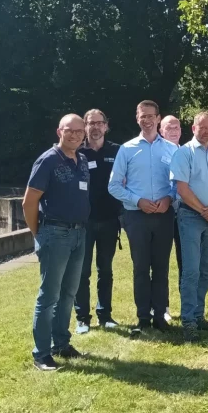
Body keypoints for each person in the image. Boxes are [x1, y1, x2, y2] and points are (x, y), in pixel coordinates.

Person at [22, 114, 90, 371]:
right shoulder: (48, 160)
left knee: (68, 294)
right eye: (69, 130)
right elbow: (29, 202)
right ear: (59, 131)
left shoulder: (81, 160)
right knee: (49, 296)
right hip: (55, 234)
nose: (75, 135)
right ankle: (41, 353)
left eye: (79, 131)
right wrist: (38, 233)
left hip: (78, 234)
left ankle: (61, 343)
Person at [108, 100, 177, 336]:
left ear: (158, 118)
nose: (147, 120)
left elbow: (178, 184)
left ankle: (160, 316)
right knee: (140, 268)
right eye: (142, 116)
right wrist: (138, 201)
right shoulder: (126, 149)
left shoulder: (171, 149)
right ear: (137, 118)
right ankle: (142, 318)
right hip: (136, 216)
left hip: (164, 216)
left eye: (151, 116)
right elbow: (114, 186)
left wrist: (169, 198)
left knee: (161, 268)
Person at [170, 112, 208, 342]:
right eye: (202, 127)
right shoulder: (183, 153)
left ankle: (199, 314)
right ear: (193, 128)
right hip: (190, 218)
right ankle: (188, 321)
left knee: (205, 269)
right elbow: (182, 189)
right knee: (191, 271)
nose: (207, 132)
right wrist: (205, 210)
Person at [74, 109, 122, 334]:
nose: (95, 127)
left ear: (106, 126)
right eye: (90, 123)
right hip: (83, 222)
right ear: (85, 126)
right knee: (82, 272)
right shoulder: (77, 152)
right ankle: (82, 318)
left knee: (106, 270)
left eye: (99, 123)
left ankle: (105, 314)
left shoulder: (117, 151)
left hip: (110, 220)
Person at [159, 115, 182, 321]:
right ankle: (163, 307)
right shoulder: (158, 151)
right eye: (169, 127)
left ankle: (189, 307)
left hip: (185, 214)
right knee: (161, 262)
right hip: (163, 213)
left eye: (177, 126)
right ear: (161, 130)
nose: (174, 130)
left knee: (186, 262)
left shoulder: (187, 151)